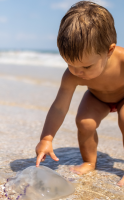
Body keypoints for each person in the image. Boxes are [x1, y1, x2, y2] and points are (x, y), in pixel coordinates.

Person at [35, 1, 124, 186]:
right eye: (70, 64)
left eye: (86, 66)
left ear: (109, 51)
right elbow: (59, 108)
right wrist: (46, 138)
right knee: (84, 123)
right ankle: (90, 161)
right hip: (97, 97)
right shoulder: (72, 75)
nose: (77, 72)